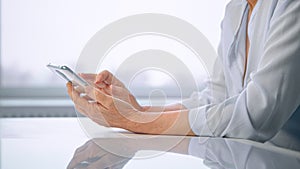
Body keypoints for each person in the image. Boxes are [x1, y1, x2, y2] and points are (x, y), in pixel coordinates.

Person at [67, 0, 300, 143]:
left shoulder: (292, 6)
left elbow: (256, 116)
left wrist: (135, 120)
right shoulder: (235, 10)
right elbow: (215, 99)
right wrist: (140, 109)